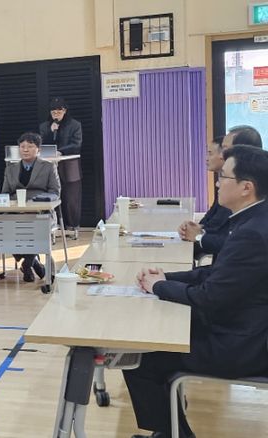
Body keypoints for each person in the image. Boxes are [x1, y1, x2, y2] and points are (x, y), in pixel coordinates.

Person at [126, 145, 268, 438]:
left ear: (246, 187)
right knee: (155, 334)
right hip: (242, 327)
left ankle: (174, 434)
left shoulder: (252, 233)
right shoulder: (252, 220)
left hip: (239, 345)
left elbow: (209, 297)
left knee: (138, 357)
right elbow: (216, 274)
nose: (217, 183)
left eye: (223, 177)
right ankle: (171, 431)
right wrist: (165, 278)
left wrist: (159, 286)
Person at [178, 126, 263, 257]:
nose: (221, 155)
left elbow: (231, 241)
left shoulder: (243, 195)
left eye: (224, 149)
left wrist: (199, 236)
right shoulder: (231, 186)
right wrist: (198, 229)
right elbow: (212, 222)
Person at [1, 132, 60, 282]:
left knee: (35, 229)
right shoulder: (10, 169)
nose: (25, 149)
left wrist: (35, 203)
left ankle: (27, 264)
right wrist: (16, 206)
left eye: (30, 146)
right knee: (3, 228)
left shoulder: (48, 167)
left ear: (38, 149)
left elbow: (55, 192)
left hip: (41, 211)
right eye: (22, 146)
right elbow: (5, 193)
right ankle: (33, 263)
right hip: (15, 212)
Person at [39, 97, 82, 235]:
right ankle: (54, 226)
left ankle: (72, 227)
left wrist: (61, 151)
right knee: (52, 196)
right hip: (50, 166)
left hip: (69, 165)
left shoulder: (75, 125)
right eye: (53, 112)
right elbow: (40, 145)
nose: (56, 114)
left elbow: (76, 144)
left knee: (71, 197)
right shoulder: (45, 126)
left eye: (59, 111)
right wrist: (50, 132)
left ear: (65, 111)